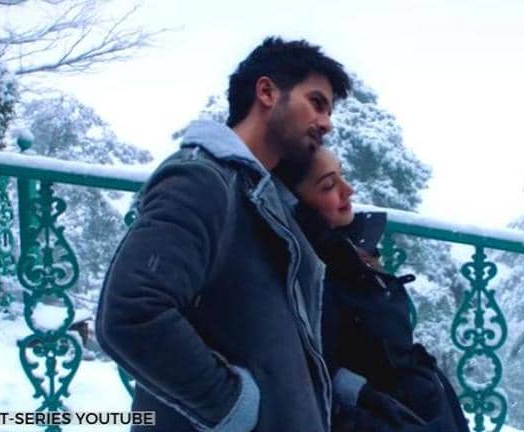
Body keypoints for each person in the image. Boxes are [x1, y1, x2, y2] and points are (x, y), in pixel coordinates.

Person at [95, 37, 351, 432]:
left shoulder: (262, 197)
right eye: (316, 102)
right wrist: (232, 407)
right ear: (266, 92)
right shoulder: (202, 180)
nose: (326, 123)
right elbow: (133, 312)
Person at [275, 147, 470, 432]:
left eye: (342, 176)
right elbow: (329, 385)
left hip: (422, 411)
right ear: (296, 203)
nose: (348, 190)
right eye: (328, 186)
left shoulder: (348, 252)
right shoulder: (315, 276)